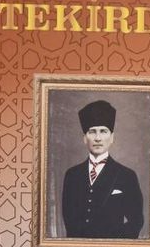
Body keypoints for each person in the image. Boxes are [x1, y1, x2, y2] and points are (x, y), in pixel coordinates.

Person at [61, 99, 144, 239]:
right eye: (92, 132)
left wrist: (111, 245)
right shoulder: (72, 175)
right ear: (84, 138)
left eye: (103, 131)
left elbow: (136, 222)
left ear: (112, 138)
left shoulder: (127, 176)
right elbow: (69, 220)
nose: (98, 138)